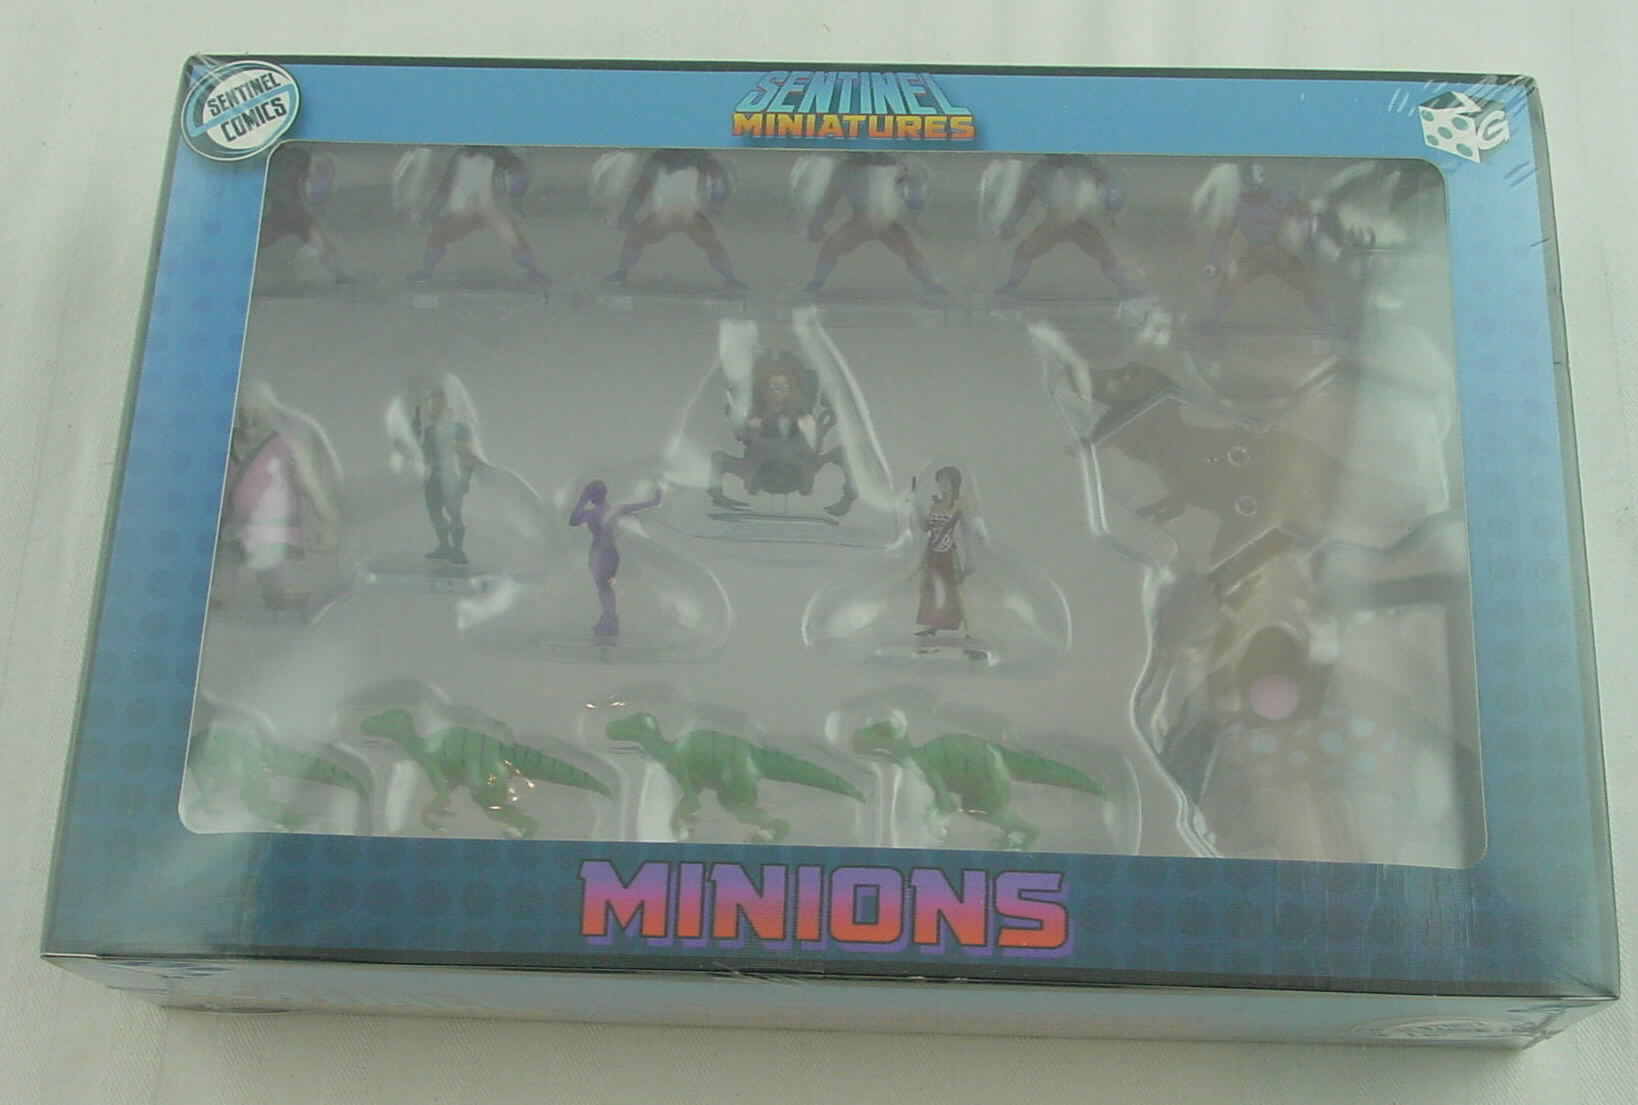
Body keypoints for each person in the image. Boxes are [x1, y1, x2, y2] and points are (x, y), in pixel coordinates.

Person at [213, 385, 340, 610]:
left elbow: (313, 490)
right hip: (230, 534)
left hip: (276, 534)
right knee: (217, 592)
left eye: (255, 414)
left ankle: (284, 588)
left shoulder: (287, 447)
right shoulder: (222, 442)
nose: (248, 420)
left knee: (284, 592)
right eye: (242, 413)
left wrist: (330, 524)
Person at [708, 351, 855, 516]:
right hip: (759, 467)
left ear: (792, 389)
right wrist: (745, 422)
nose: (777, 392)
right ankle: (717, 496)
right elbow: (741, 436)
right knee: (718, 459)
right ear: (764, 389)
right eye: (773, 388)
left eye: (783, 388)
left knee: (842, 454)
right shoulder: (755, 416)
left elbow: (814, 445)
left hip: (798, 466)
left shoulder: (801, 416)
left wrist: (812, 428)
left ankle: (849, 496)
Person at [994, 155, 1139, 298]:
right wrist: (1009, 224)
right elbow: (1022, 201)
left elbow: (1106, 181)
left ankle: (1124, 287)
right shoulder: (1040, 171)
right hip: (1056, 222)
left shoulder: (1081, 165)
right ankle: (1012, 284)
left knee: (1103, 253)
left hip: (1073, 222)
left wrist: (1113, 203)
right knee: (1024, 251)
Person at [803, 152, 945, 296]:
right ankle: (930, 283)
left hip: (871, 221)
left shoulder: (892, 167)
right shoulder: (847, 169)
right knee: (830, 248)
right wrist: (816, 225)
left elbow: (828, 203)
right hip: (869, 221)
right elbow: (828, 202)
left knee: (830, 249)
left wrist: (817, 226)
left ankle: (930, 283)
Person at [604, 149, 745, 290]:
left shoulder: (695, 157)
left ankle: (622, 273)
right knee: (711, 243)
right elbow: (642, 188)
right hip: (674, 214)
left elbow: (641, 189)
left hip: (679, 213)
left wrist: (627, 213)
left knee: (711, 242)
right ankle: (729, 278)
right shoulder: (687, 157)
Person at [410, 146, 546, 284]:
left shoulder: (496, 153)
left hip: (488, 208)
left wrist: (515, 197)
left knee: (513, 237)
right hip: (467, 209)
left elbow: (518, 173)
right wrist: (431, 211)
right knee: (438, 234)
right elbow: (445, 188)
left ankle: (532, 271)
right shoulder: (459, 158)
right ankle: (426, 271)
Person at [569, 480, 663, 637]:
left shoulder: (592, 513)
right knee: (605, 587)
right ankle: (609, 620)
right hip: (611, 551)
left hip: (600, 551)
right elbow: (644, 505)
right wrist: (656, 499)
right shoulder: (614, 509)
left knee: (603, 588)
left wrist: (582, 499)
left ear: (593, 495)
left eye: (590, 494)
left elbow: (573, 521)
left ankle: (609, 621)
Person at [259, 144, 353, 283]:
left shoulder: (298, 157)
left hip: (295, 212)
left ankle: (341, 275)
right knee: (320, 244)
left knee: (321, 244)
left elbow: (313, 181)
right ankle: (341, 274)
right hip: (285, 212)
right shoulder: (280, 161)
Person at [414, 385, 477, 566]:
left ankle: (458, 549)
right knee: (434, 512)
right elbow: (424, 456)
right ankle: (444, 545)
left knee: (454, 514)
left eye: (437, 404)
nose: (433, 408)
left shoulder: (458, 430)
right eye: (431, 404)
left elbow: (466, 456)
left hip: (452, 477)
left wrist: (465, 478)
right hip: (435, 476)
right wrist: (414, 437)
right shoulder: (429, 431)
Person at [915, 466, 970, 637]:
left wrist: (970, 558)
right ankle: (932, 626)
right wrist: (915, 505)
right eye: (941, 481)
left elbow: (967, 531)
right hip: (933, 551)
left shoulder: (960, 504)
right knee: (932, 589)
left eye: (948, 481)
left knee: (957, 590)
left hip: (949, 552)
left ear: (955, 483)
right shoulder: (935, 505)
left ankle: (971, 629)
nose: (944, 485)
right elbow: (925, 527)